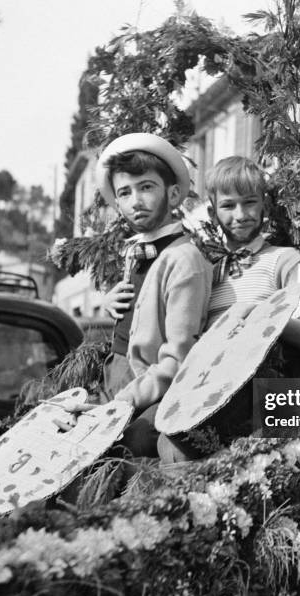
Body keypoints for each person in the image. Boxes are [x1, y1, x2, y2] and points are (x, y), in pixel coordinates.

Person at [157, 155, 300, 462]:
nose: (240, 214)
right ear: (213, 211)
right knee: (165, 444)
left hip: (264, 400)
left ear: (264, 204)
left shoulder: (284, 260)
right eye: (228, 206)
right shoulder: (208, 272)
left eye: (250, 202)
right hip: (209, 398)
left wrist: (266, 317)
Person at [63, 133, 213, 458]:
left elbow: (177, 361)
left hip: (150, 393)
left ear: (173, 195)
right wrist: (111, 304)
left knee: (116, 453)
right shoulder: (138, 252)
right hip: (115, 379)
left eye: (146, 187)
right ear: (117, 204)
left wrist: (122, 403)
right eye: (125, 193)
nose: (136, 201)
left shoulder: (184, 259)